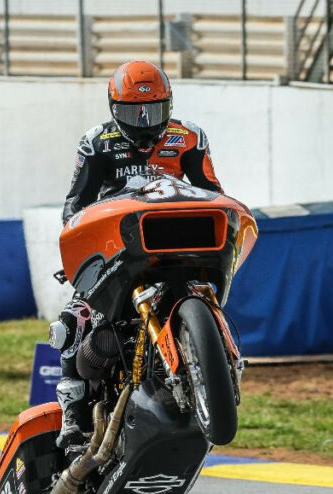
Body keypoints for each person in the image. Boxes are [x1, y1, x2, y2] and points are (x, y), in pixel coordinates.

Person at [52, 60, 223, 449]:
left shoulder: (190, 137)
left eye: (155, 111)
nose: (146, 123)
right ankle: (72, 417)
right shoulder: (96, 142)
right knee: (73, 321)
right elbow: (73, 207)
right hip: (118, 248)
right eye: (134, 113)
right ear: (114, 109)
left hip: (178, 244)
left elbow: (212, 189)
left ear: (170, 104)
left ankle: (217, 366)